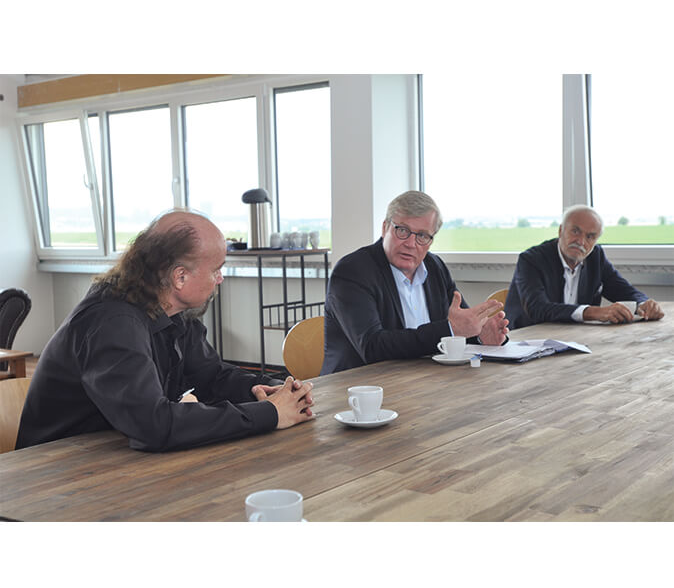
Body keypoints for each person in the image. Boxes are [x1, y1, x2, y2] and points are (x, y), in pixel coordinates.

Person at [16, 210, 315, 452]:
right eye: (216, 270)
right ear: (180, 277)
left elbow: (211, 376)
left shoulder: (168, 310)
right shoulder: (113, 322)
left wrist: (265, 390)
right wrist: (270, 415)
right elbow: (155, 426)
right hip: (57, 476)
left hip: (112, 457)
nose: (220, 279)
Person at [321, 191, 509, 374]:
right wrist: (451, 329)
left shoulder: (435, 267)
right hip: (359, 390)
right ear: (385, 228)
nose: (411, 244)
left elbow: (460, 325)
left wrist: (480, 336)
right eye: (402, 230)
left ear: (431, 240)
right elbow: (372, 347)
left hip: (424, 382)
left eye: (422, 236)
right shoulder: (353, 271)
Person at [505, 204, 665, 329]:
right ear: (561, 230)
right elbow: (537, 309)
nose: (581, 241)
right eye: (575, 231)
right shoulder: (531, 260)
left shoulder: (596, 256)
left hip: (574, 339)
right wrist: (593, 312)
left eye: (590, 236)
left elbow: (622, 289)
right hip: (526, 342)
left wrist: (643, 303)